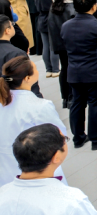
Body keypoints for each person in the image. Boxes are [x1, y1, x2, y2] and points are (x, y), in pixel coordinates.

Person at [0, 55, 67, 184]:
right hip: (38, 169)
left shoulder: (3, 102)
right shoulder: (40, 106)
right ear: (28, 78)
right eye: (35, 69)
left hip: (5, 171)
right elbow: (59, 135)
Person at [61, 0, 97, 149]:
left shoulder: (66, 25)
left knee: (77, 103)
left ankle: (78, 137)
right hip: (94, 70)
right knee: (96, 104)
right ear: (94, 6)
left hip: (74, 70)